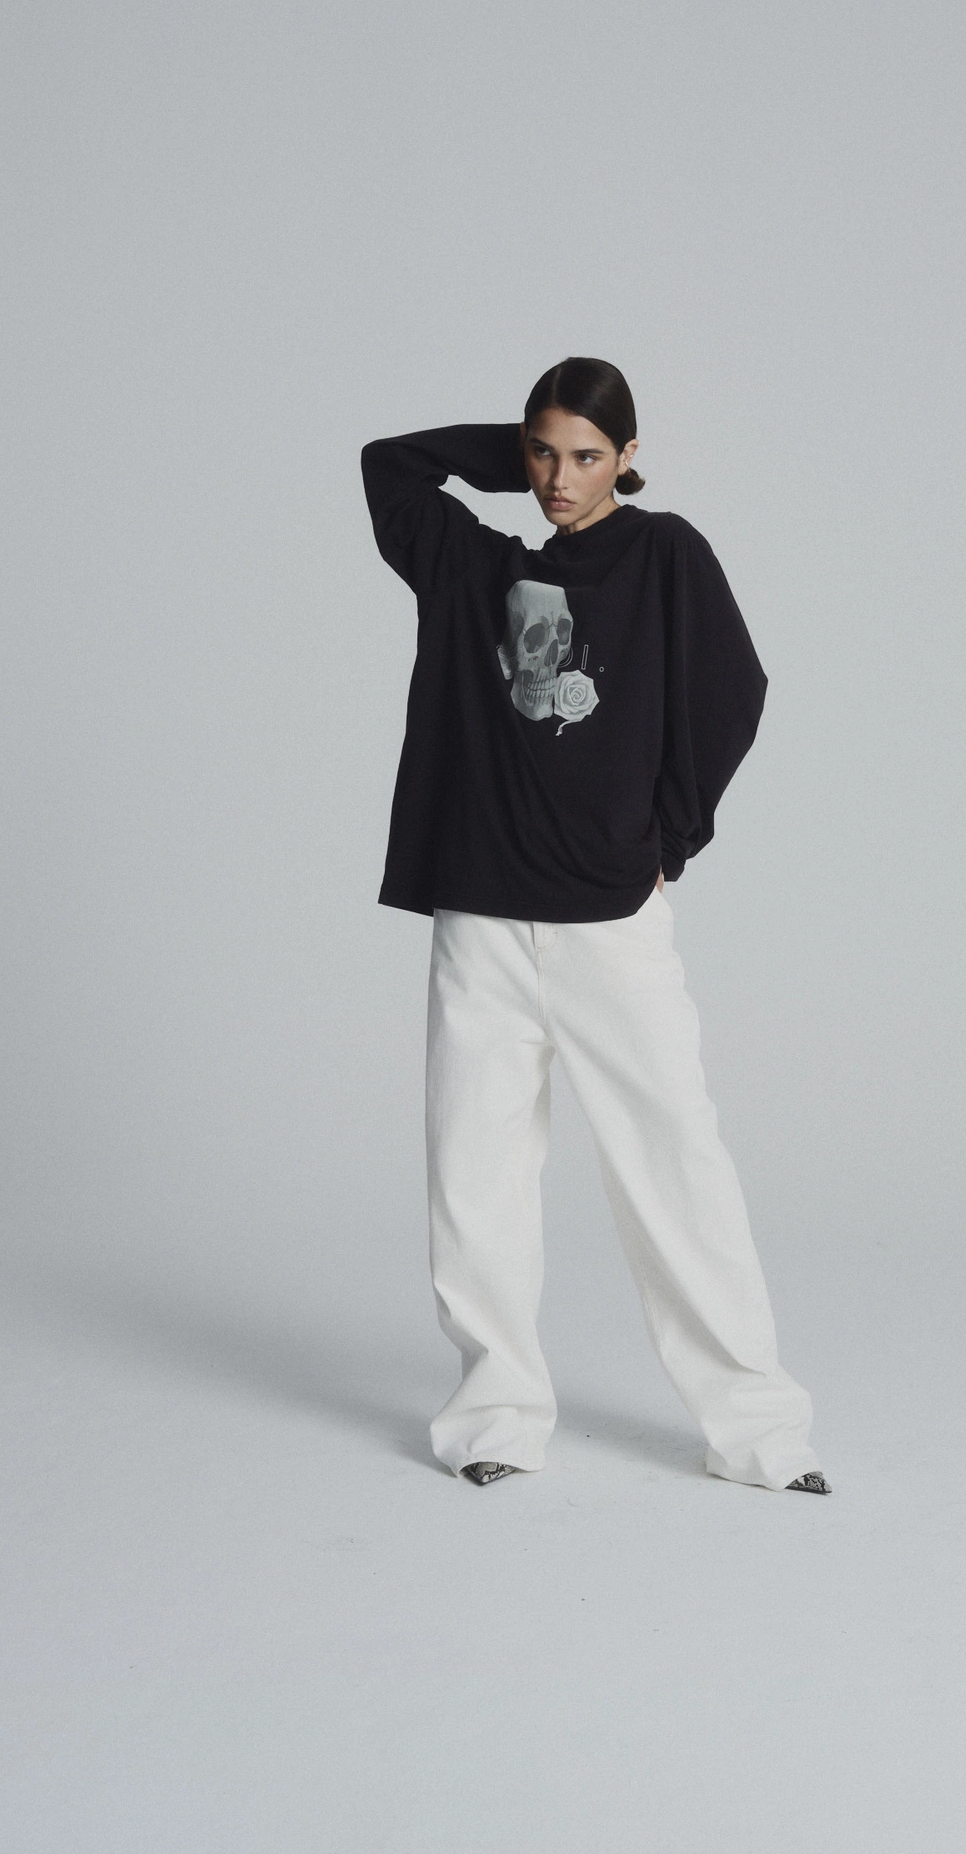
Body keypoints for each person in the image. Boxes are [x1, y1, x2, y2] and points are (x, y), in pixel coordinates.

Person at [361, 357, 829, 1495]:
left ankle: (759, 1430)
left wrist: (671, 835)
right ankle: (496, 1417)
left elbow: (737, 690)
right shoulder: (479, 567)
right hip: (481, 915)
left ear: (627, 455)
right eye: (542, 453)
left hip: (608, 920)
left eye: (585, 455)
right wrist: (511, 444)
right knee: (475, 1175)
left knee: (676, 1167)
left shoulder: (664, 555)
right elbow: (388, 468)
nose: (559, 479)